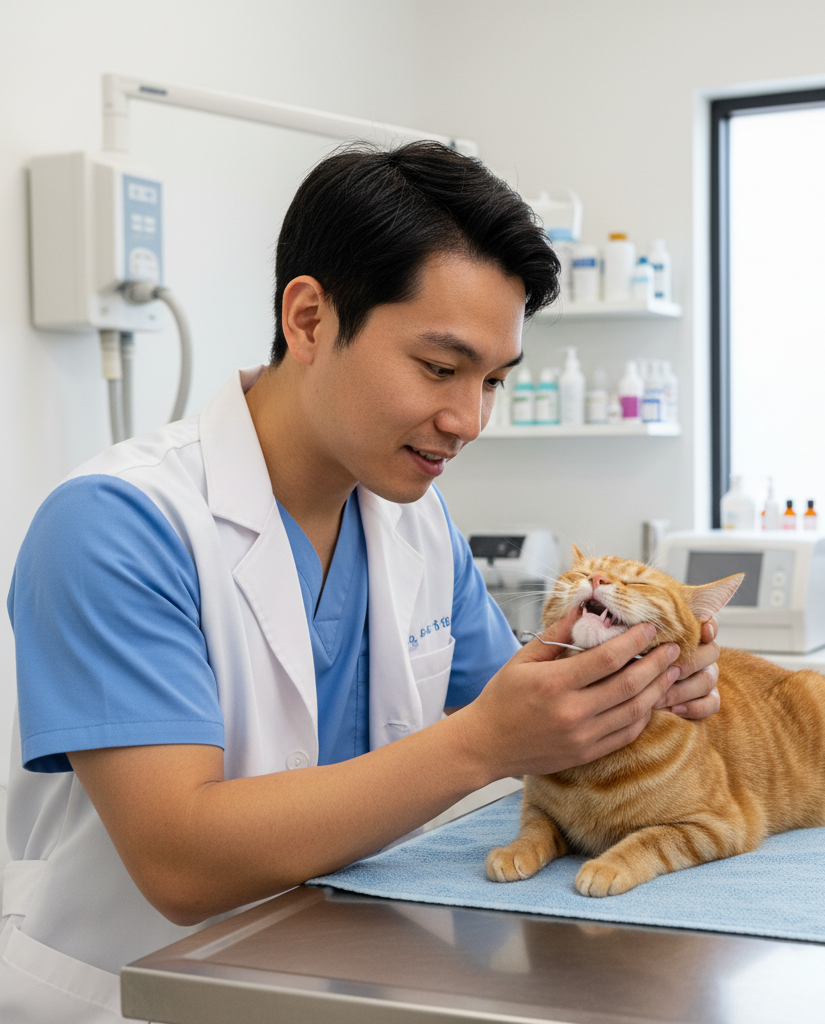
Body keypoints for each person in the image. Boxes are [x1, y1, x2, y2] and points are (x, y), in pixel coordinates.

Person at [2, 141, 721, 1022]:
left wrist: (635, 683)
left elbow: (525, 720)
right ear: (308, 319)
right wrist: (483, 743)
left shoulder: (414, 522)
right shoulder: (117, 524)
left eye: (493, 380)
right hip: (138, 991)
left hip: (347, 978)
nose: (468, 420)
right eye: (440, 368)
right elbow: (180, 863)